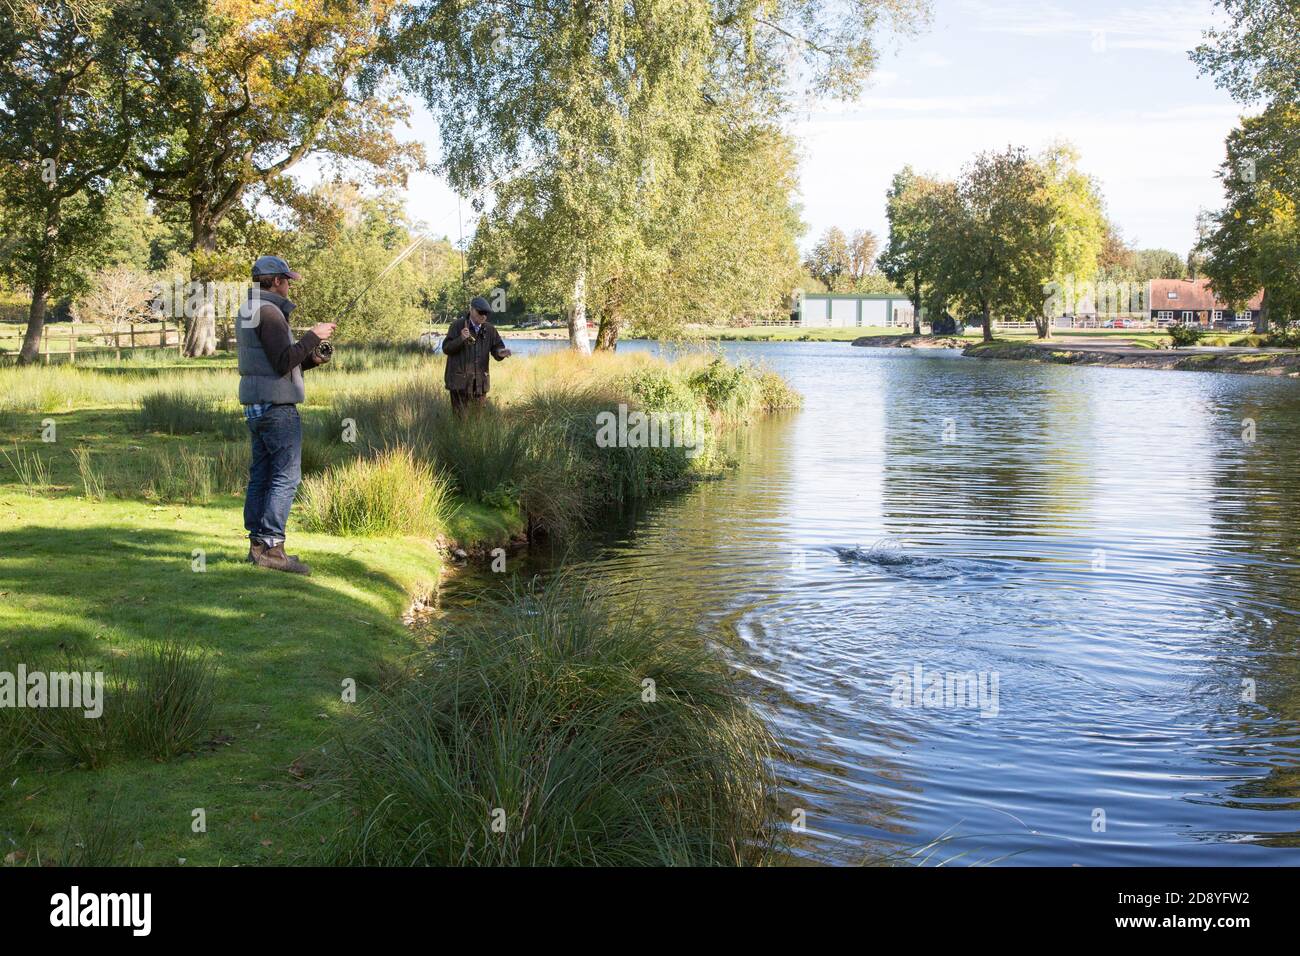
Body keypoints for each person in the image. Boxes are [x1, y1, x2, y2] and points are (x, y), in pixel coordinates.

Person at [238, 255, 335, 575]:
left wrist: (311, 361)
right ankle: (273, 548)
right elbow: (282, 362)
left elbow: (275, 362)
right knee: (286, 476)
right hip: (277, 408)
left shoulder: (250, 309)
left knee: (262, 474)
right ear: (276, 281)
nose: (290, 284)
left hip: (257, 404)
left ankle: (258, 547)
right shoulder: (269, 312)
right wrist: (313, 336)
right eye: (287, 279)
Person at [442, 295, 512, 414]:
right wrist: (461, 339)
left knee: (477, 422)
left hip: (480, 384)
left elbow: (497, 348)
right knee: (460, 421)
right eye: (481, 312)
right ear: (471, 310)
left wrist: (501, 353)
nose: (484, 316)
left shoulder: (490, 329)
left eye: (486, 313)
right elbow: (446, 349)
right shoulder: (457, 325)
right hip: (460, 384)